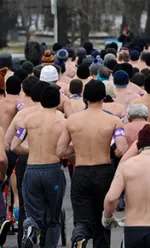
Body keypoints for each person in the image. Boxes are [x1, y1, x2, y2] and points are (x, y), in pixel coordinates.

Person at [56, 80, 128, 248]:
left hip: (81, 172)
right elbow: (122, 148)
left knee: (82, 218)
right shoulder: (114, 121)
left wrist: (78, 149)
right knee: (103, 220)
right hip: (104, 171)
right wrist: (111, 152)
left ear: (85, 97)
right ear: (104, 97)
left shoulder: (72, 121)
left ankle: (80, 236)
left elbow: (60, 151)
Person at [11, 83, 65, 248]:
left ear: (40, 100)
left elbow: (14, 146)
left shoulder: (28, 120)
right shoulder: (63, 120)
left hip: (32, 169)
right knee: (53, 217)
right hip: (53, 169)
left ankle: (30, 228)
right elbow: (68, 148)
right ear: (57, 101)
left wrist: (31, 149)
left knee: (32, 212)